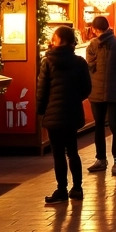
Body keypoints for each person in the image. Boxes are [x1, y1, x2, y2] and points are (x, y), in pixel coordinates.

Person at [37, 25, 92, 205]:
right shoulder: (79, 62)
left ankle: (61, 189)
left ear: (57, 40)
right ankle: (77, 188)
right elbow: (87, 89)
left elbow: (42, 90)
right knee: (73, 152)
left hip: (53, 115)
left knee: (58, 154)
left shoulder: (47, 62)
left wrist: (41, 111)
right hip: (72, 112)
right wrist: (74, 98)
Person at [85, 15, 116, 175]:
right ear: (108, 26)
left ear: (94, 29)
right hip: (115, 91)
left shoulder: (92, 45)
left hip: (95, 91)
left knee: (99, 125)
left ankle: (101, 159)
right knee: (115, 125)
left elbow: (89, 65)